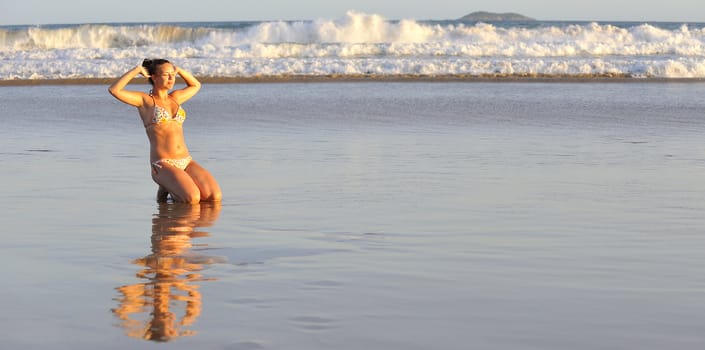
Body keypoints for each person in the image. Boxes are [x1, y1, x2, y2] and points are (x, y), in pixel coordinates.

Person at [108, 59, 221, 203]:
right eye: (166, 74)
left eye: (172, 75)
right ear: (154, 77)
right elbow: (114, 90)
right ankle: (167, 186)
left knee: (214, 197)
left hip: (186, 161)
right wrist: (137, 70)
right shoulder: (145, 101)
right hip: (162, 163)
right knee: (192, 198)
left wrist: (179, 70)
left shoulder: (175, 98)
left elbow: (196, 85)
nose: (171, 78)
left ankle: (170, 187)